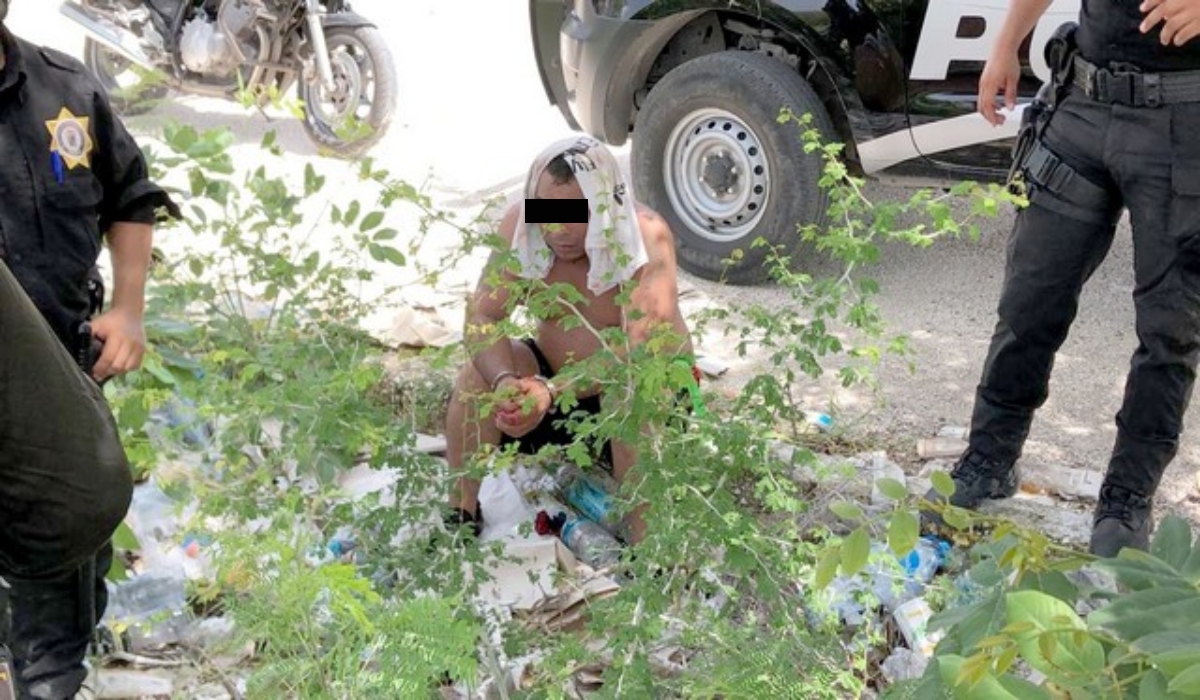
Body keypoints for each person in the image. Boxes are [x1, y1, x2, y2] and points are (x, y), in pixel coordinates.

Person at [924, 0, 1200, 557]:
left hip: (1186, 121)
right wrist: (1005, 46)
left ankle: (1126, 498)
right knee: (1030, 299)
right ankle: (989, 458)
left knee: (1170, 332)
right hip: (1082, 105)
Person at [0, 1, 178, 695]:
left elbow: (131, 197)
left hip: (62, 390)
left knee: (56, 625)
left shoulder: (65, 88)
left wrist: (129, 310)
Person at [444, 136, 695, 546]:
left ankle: (648, 551)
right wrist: (506, 381)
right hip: (554, 390)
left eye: (578, 213)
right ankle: (461, 513)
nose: (559, 229)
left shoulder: (645, 236)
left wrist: (551, 390)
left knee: (632, 396)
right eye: (549, 211)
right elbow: (484, 315)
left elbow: (640, 354)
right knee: (475, 377)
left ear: (604, 206)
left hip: (636, 385)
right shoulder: (521, 227)